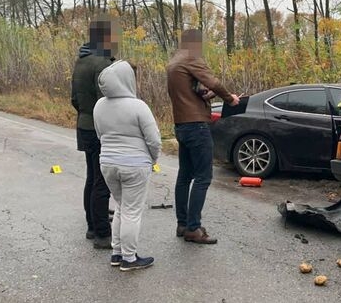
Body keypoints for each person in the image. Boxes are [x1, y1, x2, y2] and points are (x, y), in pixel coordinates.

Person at [167, 29, 239, 244]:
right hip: (197, 125)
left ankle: (182, 223)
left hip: (181, 124)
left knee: (185, 175)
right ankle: (194, 228)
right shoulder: (191, 57)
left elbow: (193, 91)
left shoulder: (174, 63)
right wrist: (230, 99)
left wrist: (208, 95)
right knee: (203, 177)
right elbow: (214, 82)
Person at [94, 60, 161, 271]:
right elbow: (154, 140)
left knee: (122, 207)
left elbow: (99, 134)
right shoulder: (138, 106)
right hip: (134, 165)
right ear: (126, 80)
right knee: (132, 211)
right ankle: (130, 258)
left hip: (107, 163)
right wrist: (153, 159)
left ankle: (117, 253)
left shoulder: (99, 105)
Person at [70, 16, 119, 249]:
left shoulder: (81, 61)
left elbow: (74, 99)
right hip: (100, 130)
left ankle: (92, 225)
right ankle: (102, 234)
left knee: (91, 178)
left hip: (83, 125)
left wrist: (85, 114)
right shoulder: (102, 64)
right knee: (102, 182)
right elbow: (108, 102)